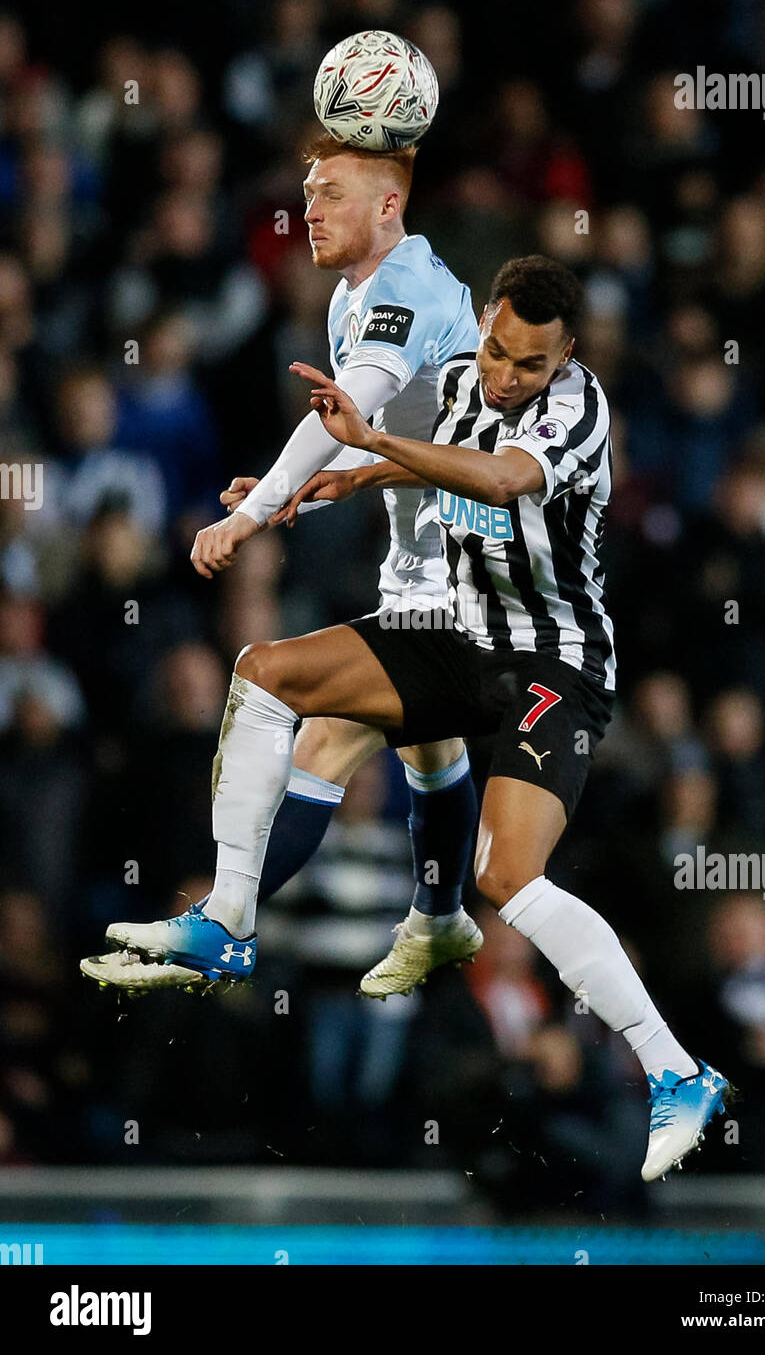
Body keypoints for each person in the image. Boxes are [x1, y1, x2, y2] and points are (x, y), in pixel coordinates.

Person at [98, 255, 729, 1182]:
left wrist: (379, 449)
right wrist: (344, 481)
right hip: (454, 635)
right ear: (484, 322)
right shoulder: (464, 379)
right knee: (267, 671)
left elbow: (501, 479)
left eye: (534, 365)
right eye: (501, 353)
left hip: (550, 665)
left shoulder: (580, 414)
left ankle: (678, 1070)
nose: (510, 377)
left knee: (508, 875)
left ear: (569, 357)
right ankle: (227, 920)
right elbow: (422, 468)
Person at [82, 135, 483, 996]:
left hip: (469, 592)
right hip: (428, 580)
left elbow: (357, 410)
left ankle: (225, 923)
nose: (309, 209)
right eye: (306, 192)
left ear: (387, 204)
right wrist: (329, 485)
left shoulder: (408, 285)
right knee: (386, 747)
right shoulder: (352, 301)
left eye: (331, 192)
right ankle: (443, 917)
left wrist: (254, 514)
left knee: (265, 677)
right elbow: (398, 438)